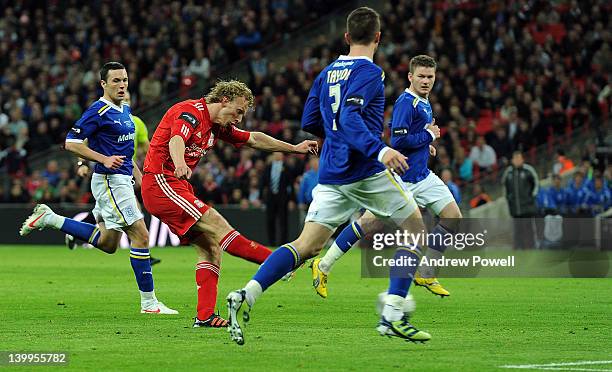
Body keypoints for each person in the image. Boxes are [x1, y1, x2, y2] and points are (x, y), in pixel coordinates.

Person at [226, 7, 432, 345]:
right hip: (365, 170)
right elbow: (350, 115)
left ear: (347, 37)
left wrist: (330, 137)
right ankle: (392, 313)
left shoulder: (326, 73)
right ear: (378, 38)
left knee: (305, 245)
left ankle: (247, 294)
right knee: (416, 231)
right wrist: (381, 150)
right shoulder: (371, 72)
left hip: (332, 172)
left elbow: (310, 120)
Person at [140, 79, 318, 328]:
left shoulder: (217, 127)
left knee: (211, 246)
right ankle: (280, 263)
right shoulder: (191, 112)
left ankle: (205, 316)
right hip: (162, 182)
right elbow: (176, 139)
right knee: (218, 224)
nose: (239, 118)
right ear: (224, 99)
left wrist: (295, 149)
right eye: (239, 111)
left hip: (175, 185)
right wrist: (179, 162)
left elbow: (254, 139)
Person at [19, 62, 177, 315]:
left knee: (108, 243)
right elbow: (71, 142)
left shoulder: (124, 109)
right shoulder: (99, 110)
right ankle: (149, 304)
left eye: (124, 79)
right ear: (103, 84)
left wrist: (140, 177)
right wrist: (101, 159)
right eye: (115, 81)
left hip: (121, 179)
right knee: (141, 235)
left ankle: (50, 218)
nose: (122, 84)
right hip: (109, 180)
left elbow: (126, 153)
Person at [311, 55, 463, 299]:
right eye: (421, 76)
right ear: (410, 77)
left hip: (422, 176)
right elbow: (398, 139)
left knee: (452, 217)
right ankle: (323, 265)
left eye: (430, 77)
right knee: (367, 223)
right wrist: (429, 137)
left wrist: (425, 146)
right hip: (402, 178)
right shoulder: (406, 102)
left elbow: (413, 138)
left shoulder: (424, 102)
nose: (426, 81)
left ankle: (426, 270)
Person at [64, 91, 161, 265]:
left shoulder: (136, 122)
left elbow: (144, 150)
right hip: (108, 174)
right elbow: (80, 142)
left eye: (129, 99)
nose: (125, 101)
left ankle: (73, 230)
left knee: (105, 230)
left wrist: (145, 174)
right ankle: (142, 249)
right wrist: (82, 164)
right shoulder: (103, 114)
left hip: (125, 172)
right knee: (134, 217)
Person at [501, 151, 539, 249]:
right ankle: (519, 249)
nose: (517, 161)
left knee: (529, 229)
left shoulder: (528, 170)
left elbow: (536, 184)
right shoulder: (508, 173)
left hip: (527, 207)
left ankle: (531, 247)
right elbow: (504, 187)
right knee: (517, 230)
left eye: (519, 158)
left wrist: (532, 197)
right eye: (515, 159)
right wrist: (508, 199)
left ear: (522, 159)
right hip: (515, 208)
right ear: (512, 160)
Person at [261, 152, 293, 245]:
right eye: (275, 153)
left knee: (283, 220)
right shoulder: (268, 167)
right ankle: (272, 242)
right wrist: (261, 197)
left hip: (283, 197)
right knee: (270, 220)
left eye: (279, 153)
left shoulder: (287, 168)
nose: (277, 155)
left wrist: (291, 199)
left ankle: (283, 242)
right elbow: (263, 183)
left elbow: (290, 184)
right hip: (270, 197)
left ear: (282, 155)